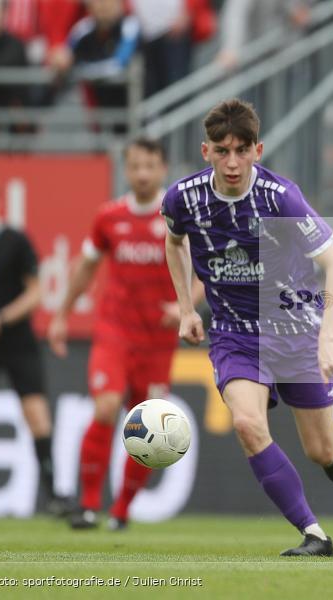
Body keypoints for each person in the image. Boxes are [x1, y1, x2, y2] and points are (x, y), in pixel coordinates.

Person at [161, 98, 333, 557]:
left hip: (295, 331)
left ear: (257, 150)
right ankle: (314, 533)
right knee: (247, 423)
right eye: (222, 150)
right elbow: (174, 241)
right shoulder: (182, 198)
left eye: (241, 150)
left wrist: (327, 339)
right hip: (234, 335)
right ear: (205, 151)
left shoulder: (280, 197)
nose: (232, 161)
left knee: (323, 453)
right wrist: (187, 308)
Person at [48, 138, 198, 530]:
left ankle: (122, 511)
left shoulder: (179, 218)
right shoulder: (108, 217)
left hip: (158, 343)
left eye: (150, 166)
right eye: (135, 166)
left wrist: (185, 307)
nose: (143, 174)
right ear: (126, 170)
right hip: (115, 333)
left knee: (150, 429)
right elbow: (85, 267)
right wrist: (62, 314)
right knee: (104, 407)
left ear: (163, 168)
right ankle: (89, 505)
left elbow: (205, 273)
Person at [0, 172, 68, 516]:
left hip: (16, 340)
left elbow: (36, 293)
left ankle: (54, 496)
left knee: (37, 415)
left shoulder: (14, 241)